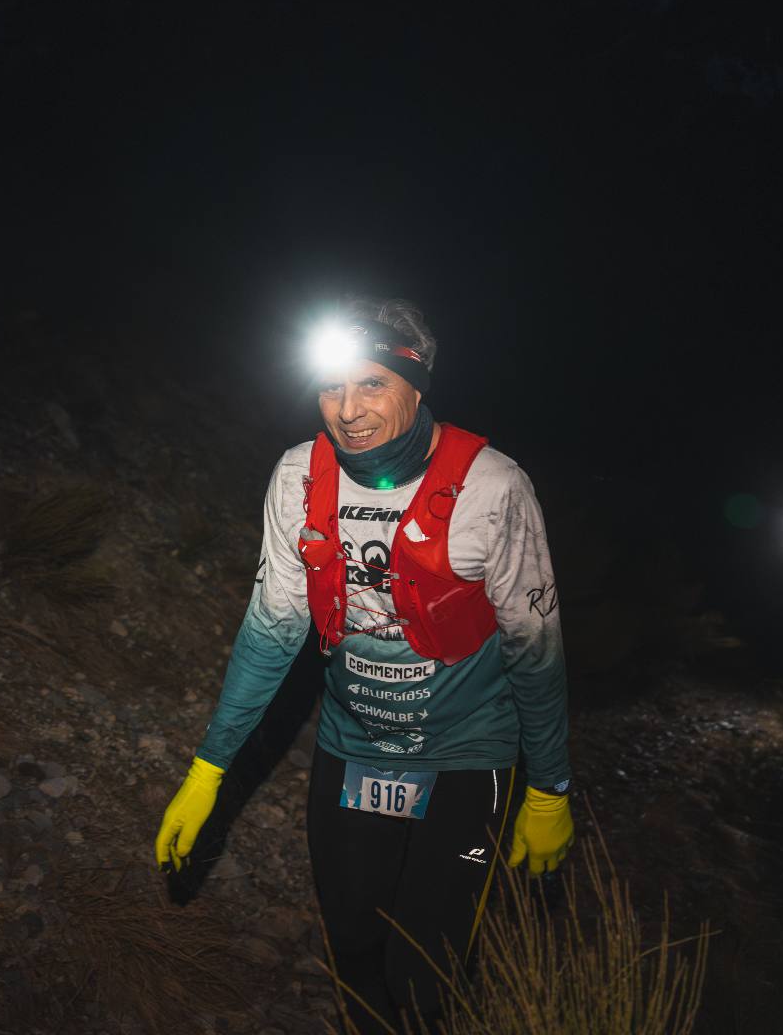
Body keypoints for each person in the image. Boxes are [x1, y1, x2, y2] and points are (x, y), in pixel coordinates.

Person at [153, 296, 573, 1030]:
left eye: (372, 383)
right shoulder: (299, 475)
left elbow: (535, 650)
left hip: (462, 754)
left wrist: (549, 788)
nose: (348, 410)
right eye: (331, 387)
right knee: (352, 947)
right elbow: (270, 633)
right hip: (351, 747)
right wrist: (207, 770)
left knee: (424, 974)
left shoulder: (493, 487)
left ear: (416, 384)